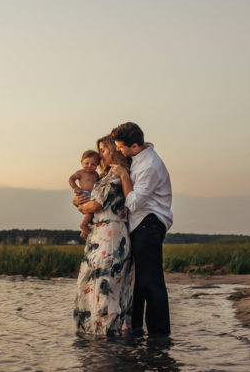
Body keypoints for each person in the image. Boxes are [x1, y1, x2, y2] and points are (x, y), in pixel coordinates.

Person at [112, 122, 173, 336]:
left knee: (150, 282)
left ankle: (159, 337)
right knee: (138, 282)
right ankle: (136, 331)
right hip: (140, 224)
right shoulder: (137, 158)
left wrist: (124, 176)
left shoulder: (150, 166)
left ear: (135, 146)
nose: (118, 150)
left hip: (149, 223)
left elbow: (134, 203)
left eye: (121, 147)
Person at [72, 135, 135, 336]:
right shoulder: (104, 176)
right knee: (94, 280)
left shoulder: (116, 175)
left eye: (103, 151)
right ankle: (95, 332)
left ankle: (106, 334)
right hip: (100, 232)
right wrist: (79, 202)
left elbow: (96, 205)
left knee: (106, 281)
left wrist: (79, 206)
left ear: (114, 151)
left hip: (110, 233)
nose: (100, 155)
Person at [68, 150, 100, 239]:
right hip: (84, 194)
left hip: (92, 195)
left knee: (93, 214)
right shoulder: (80, 172)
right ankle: (83, 225)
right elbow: (71, 179)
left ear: (97, 165)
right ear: (81, 162)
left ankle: (85, 231)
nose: (89, 166)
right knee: (90, 212)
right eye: (87, 163)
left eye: (93, 164)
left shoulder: (95, 174)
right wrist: (75, 188)